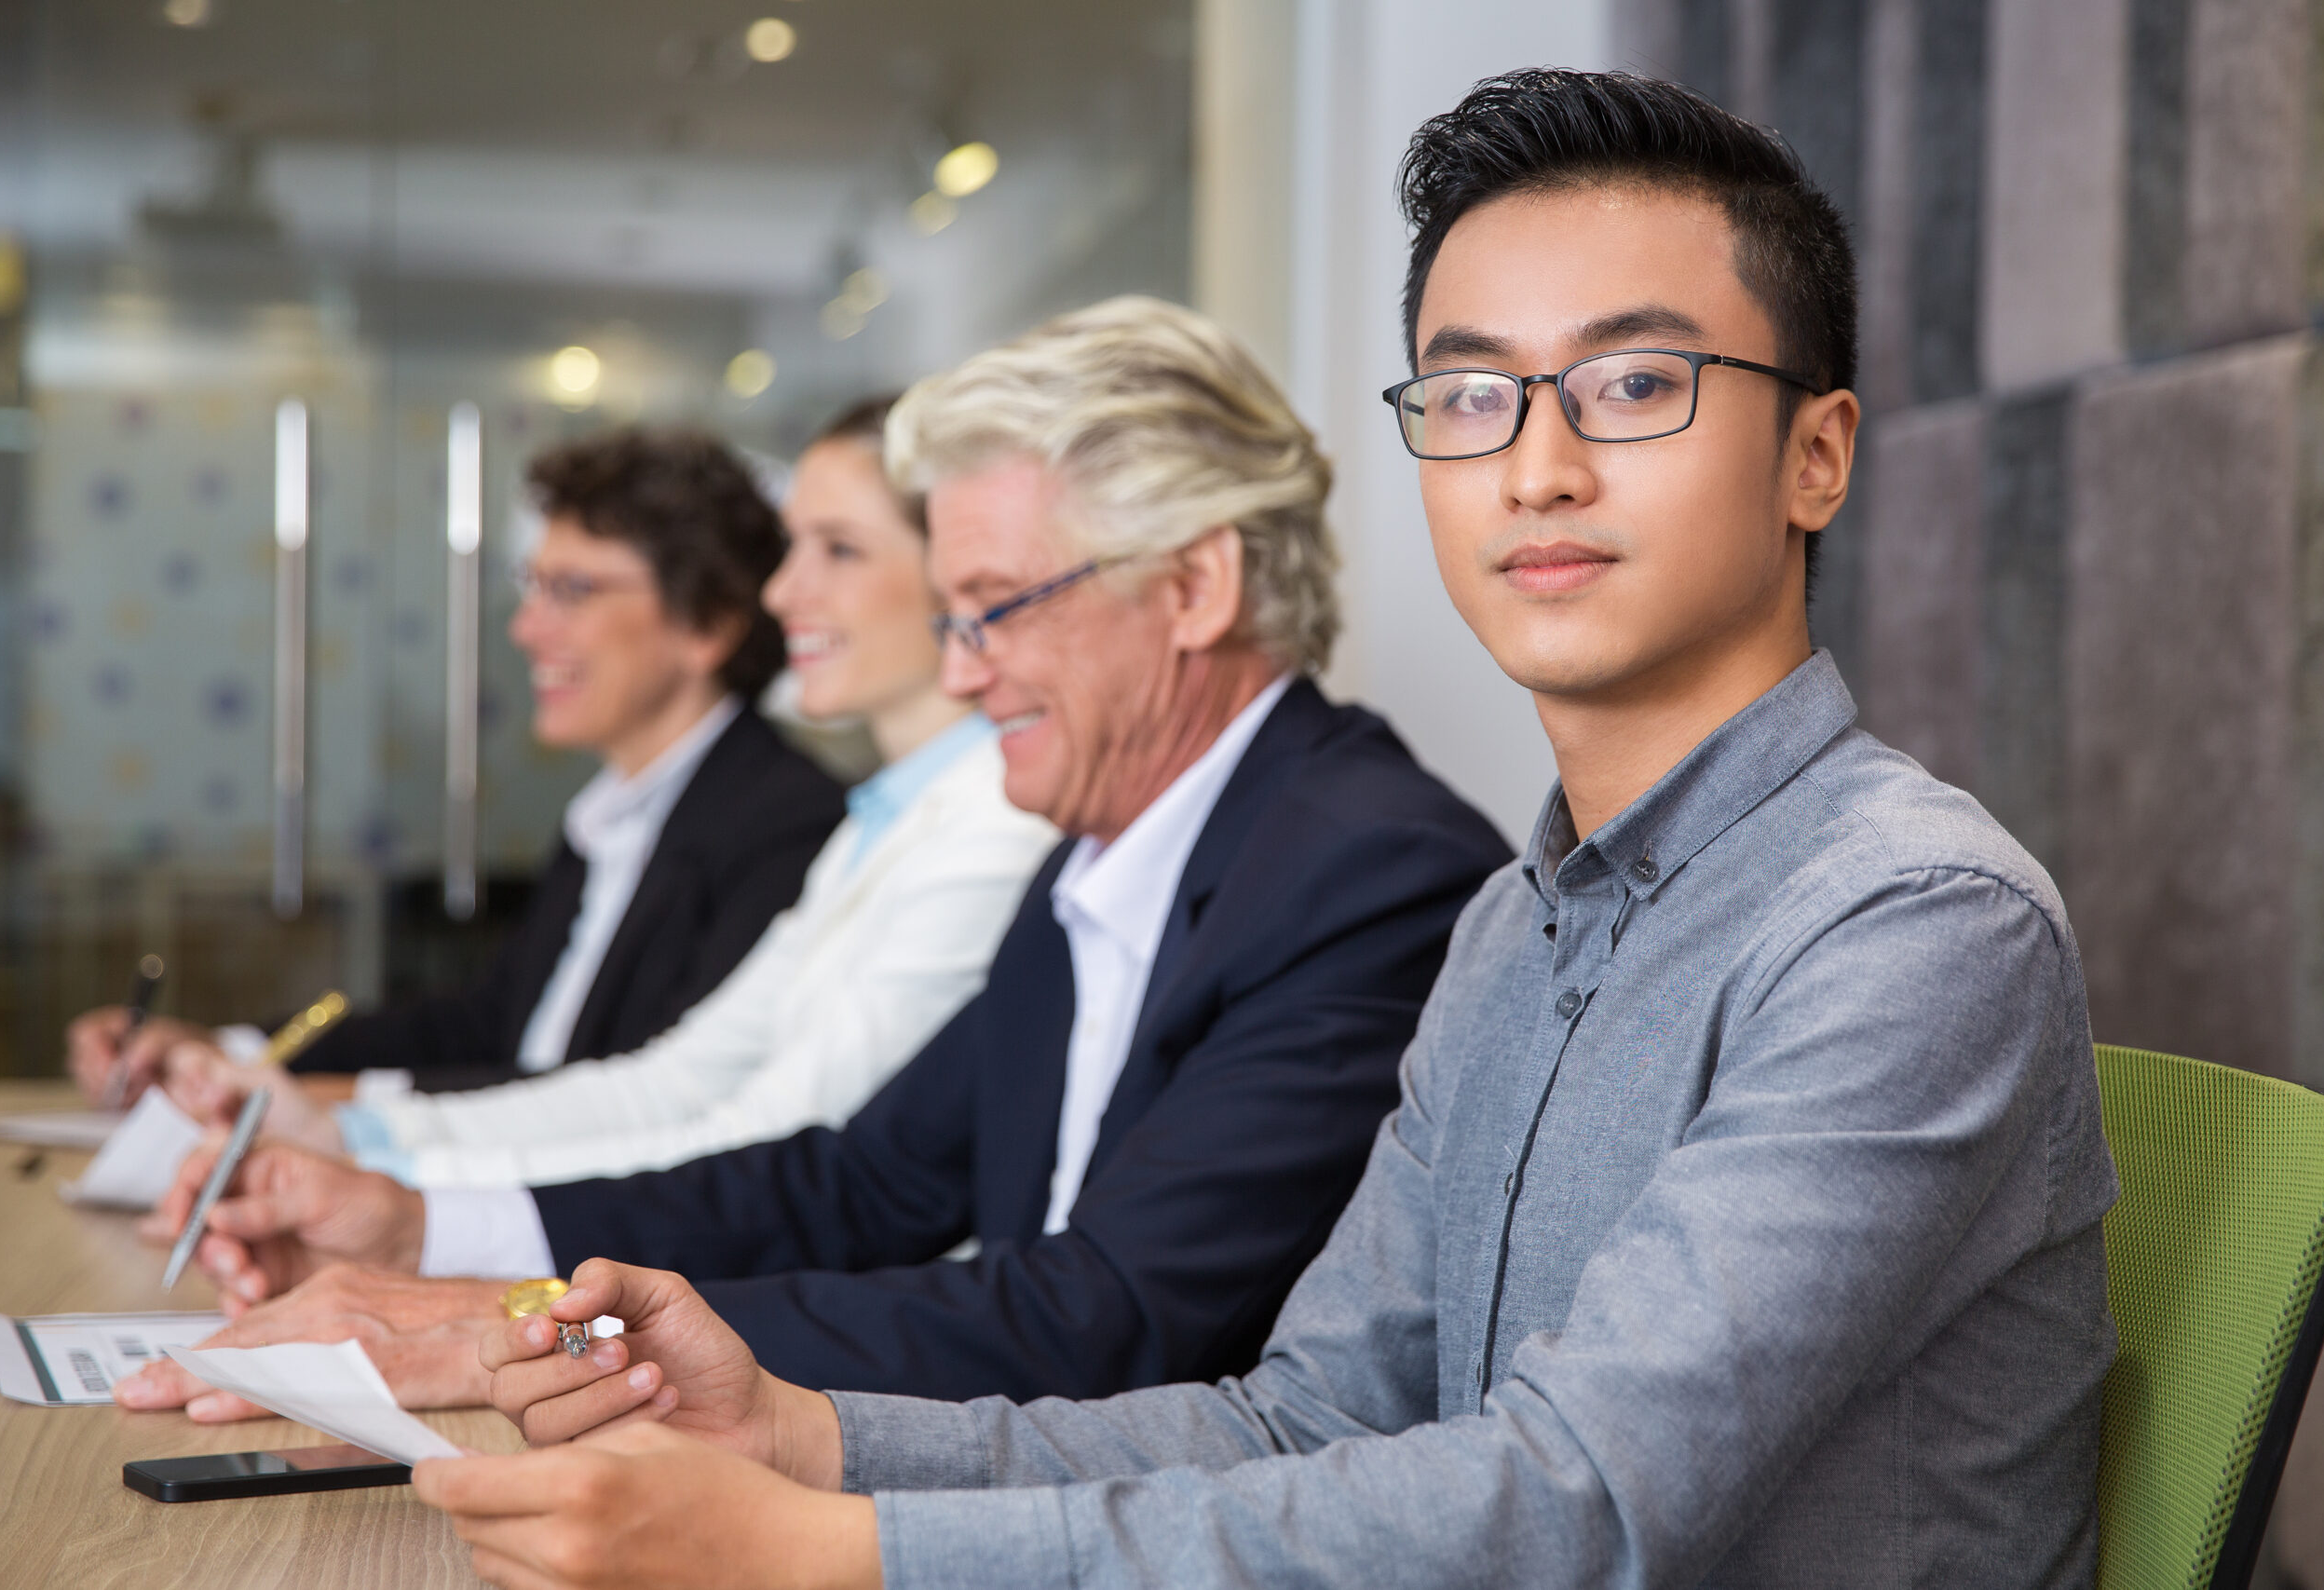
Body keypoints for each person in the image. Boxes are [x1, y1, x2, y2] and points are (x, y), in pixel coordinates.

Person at [408, 70, 2121, 1590]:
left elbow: (1576, 1506)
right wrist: (805, 1437)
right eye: (1470, 397)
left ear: (1816, 454)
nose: (1534, 468)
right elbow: (1306, 1411)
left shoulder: (1909, 922)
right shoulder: (1517, 919)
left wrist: (847, 1550)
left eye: (1633, 385)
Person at [127, 296, 1511, 1424]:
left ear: (1195, 587)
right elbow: (855, 1183)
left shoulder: (1369, 872)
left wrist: (489, 1316)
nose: (964, 678)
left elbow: (1108, 1316)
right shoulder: (1104, 846)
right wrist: (424, 1233)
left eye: (993, 612)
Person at [151, 396, 1061, 1188]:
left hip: (752, 1310)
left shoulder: (956, 822)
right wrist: (360, 1144)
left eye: (840, 550)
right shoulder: (882, 820)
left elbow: (771, 1149)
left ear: (961, 574)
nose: (783, 592)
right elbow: (671, 1081)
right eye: (792, 550)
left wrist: (401, 1190)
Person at [70, 428, 847, 1101]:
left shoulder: (782, 828)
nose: (526, 628)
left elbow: (631, 1091)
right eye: (532, 586)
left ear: (708, 622)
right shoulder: (616, 811)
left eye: (572, 590)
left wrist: (318, 1101)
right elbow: (491, 1023)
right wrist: (230, 1051)